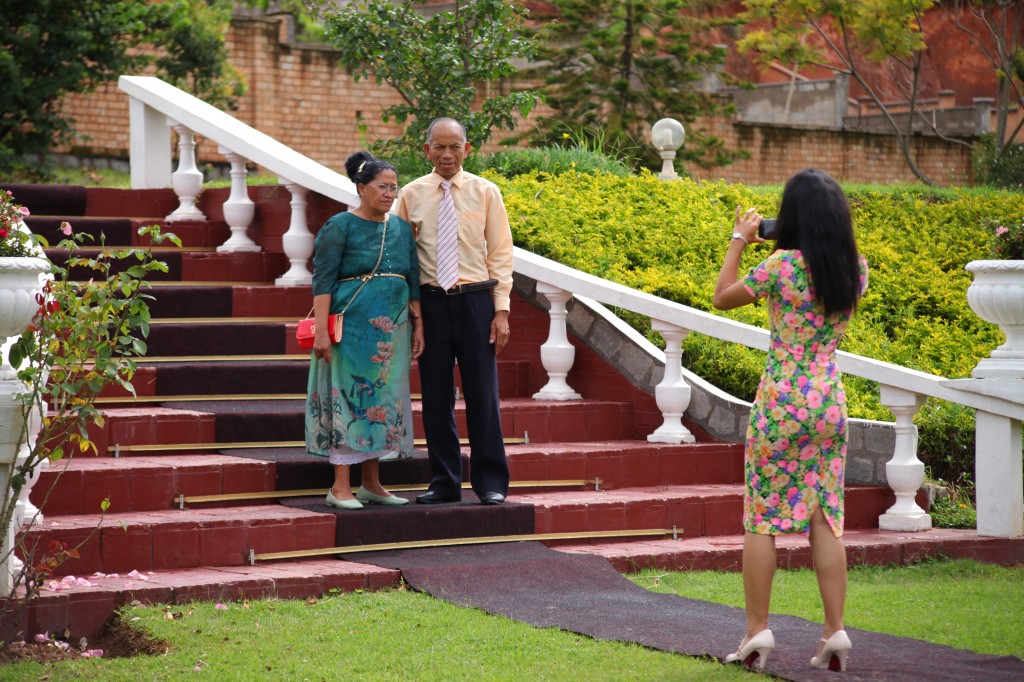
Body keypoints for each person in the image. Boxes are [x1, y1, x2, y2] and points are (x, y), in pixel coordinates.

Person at [712, 169, 868, 672]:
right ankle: (834, 629)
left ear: (793, 216)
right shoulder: (855, 268)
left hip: (781, 400)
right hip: (828, 400)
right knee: (825, 515)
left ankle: (757, 630)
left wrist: (740, 239)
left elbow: (722, 296)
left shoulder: (779, 266)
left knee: (762, 516)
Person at [395, 117, 514, 506]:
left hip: (476, 301)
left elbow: (500, 253)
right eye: (439, 147)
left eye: (455, 146)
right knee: (434, 396)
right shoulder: (411, 195)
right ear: (425, 150)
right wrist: (414, 315)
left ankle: (490, 482)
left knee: (483, 393)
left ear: (468, 149)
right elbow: (400, 256)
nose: (447, 154)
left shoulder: (485, 192)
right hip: (431, 304)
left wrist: (502, 311)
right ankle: (444, 481)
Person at [305, 151, 424, 510]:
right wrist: (322, 333)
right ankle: (340, 487)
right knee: (350, 395)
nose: (390, 194)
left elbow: (413, 279)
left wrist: (419, 326)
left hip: (391, 329)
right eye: (382, 187)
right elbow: (322, 281)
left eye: (394, 188)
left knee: (382, 398)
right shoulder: (339, 226)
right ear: (361, 188)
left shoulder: (402, 228)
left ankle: (372, 484)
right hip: (351, 325)